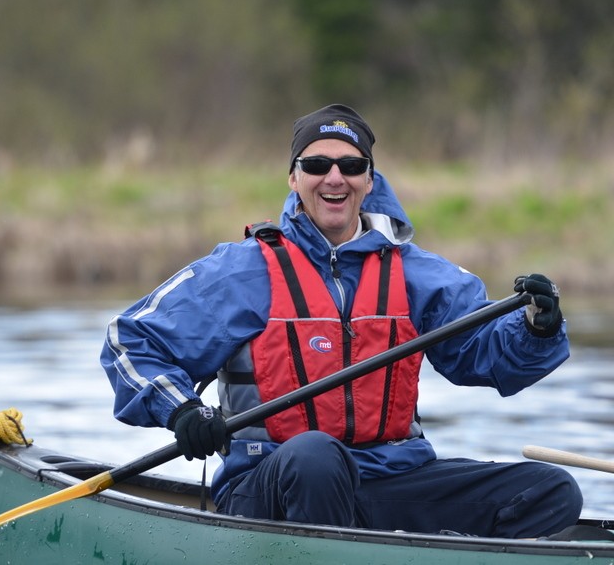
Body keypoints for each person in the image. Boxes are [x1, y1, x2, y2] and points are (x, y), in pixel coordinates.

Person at [101, 104, 583, 538]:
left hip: (387, 481)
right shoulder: (241, 271)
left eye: (351, 166)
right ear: (294, 178)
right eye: (317, 165)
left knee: (551, 490)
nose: (335, 178)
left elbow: (486, 355)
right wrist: (183, 411)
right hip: (269, 487)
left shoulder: (417, 274)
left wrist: (536, 329)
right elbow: (130, 341)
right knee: (315, 456)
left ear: (369, 181)